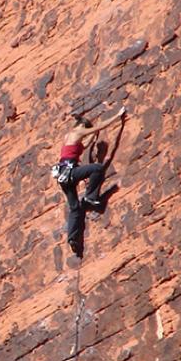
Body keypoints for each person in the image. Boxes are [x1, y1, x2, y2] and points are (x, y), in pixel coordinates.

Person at [53, 106, 126, 256]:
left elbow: (83, 146)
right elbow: (99, 126)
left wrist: (94, 136)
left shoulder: (69, 137)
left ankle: (73, 239)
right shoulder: (78, 131)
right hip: (71, 173)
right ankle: (91, 198)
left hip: (64, 177)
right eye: (87, 129)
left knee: (75, 208)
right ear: (82, 126)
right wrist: (118, 116)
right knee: (97, 169)